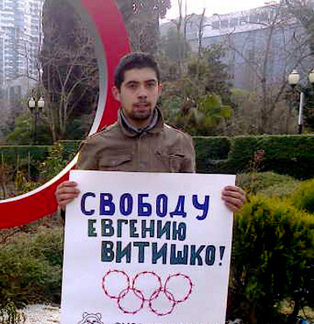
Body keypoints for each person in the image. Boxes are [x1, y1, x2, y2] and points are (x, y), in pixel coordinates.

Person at [55, 52, 246, 212]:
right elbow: (79, 219)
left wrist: (224, 204)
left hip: (164, 255)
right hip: (113, 254)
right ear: (116, 93)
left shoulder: (181, 143)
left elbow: (191, 208)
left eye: (149, 84)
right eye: (132, 86)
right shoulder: (95, 145)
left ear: (159, 89)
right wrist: (66, 206)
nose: (142, 93)